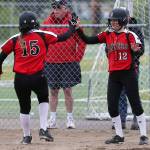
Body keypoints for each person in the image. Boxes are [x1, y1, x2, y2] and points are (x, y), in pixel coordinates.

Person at [0, 11, 77, 144]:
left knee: (24, 107)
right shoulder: (42, 35)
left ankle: (26, 136)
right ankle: (43, 128)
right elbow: (63, 37)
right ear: (35, 23)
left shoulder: (14, 39)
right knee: (43, 99)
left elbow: (2, 55)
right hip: (38, 76)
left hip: (20, 79)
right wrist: (72, 27)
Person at [76, 8, 148, 145]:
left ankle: (143, 135)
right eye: (112, 21)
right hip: (114, 75)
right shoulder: (107, 34)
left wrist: (136, 50)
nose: (113, 23)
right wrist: (79, 29)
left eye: (116, 21)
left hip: (128, 73)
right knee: (112, 107)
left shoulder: (130, 35)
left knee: (136, 104)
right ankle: (119, 136)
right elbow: (88, 40)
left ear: (123, 21)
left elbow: (140, 50)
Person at [42, 0, 86, 129]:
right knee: (53, 91)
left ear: (65, 8)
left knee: (68, 90)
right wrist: (45, 58)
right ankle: (52, 119)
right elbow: (42, 42)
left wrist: (77, 58)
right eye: (54, 8)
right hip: (51, 62)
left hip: (69, 62)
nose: (56, 10)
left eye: (58, 8)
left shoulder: (73, 22)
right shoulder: (47, 23)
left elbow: (82, 41)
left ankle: (70, 119)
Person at [112, 8, 145, 130]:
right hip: (117, 67)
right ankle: (121, 120)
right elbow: (108, 48)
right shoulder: (113, 30)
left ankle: (137, 119)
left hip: (132, 67)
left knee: (132, 93)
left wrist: (133, 51)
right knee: (120, 94)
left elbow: (141, 50)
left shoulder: (135, 28)